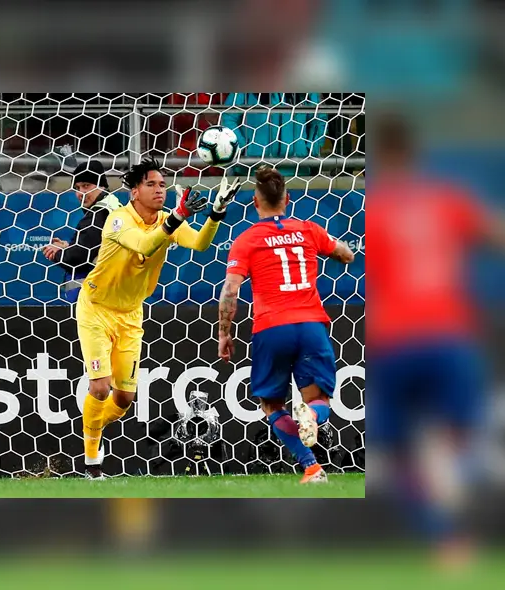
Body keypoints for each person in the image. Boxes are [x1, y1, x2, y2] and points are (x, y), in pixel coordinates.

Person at [369, 113, 505, 568]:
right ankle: (448, 464)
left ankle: (446, 539)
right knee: (462, 430)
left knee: (396, 449)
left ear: (379, 156)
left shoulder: (370, 209)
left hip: (394, 340)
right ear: (415, 153)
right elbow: (496, 234)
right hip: (450, 337)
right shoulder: (448, 200)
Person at [78, 157, 238, 479]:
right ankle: (92, 462)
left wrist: (216, 212)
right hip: (96, 308)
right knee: (100, 388)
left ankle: (91, 426)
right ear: (134, 192)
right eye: (151, 184)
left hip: (130, 315)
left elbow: (200, 244)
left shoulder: (167, 219)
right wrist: (179, 215)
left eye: (163, 184)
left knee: (124, 398)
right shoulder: (118, 220)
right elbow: (145, 245)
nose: (159, 190)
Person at [217, 166, 355, 484]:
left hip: (272, 327)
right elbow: (347, 255)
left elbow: (230, 290)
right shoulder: (308, 230)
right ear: (288, 199)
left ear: (255, 201)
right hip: (310, 325)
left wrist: (224, 333)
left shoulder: (247, 240)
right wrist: (329, 247)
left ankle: (311, 467)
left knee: (271, 404)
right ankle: (313, 416)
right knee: (318, 400)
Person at [42, 160, 122, 302]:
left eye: (86, 186)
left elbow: (79, 258)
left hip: (95, 299)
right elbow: (93, 249)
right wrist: (68, 247)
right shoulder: (112, 206)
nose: (81, 193)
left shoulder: (99, 213)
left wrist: (56, 253)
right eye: (77, 188)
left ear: (101, 185)